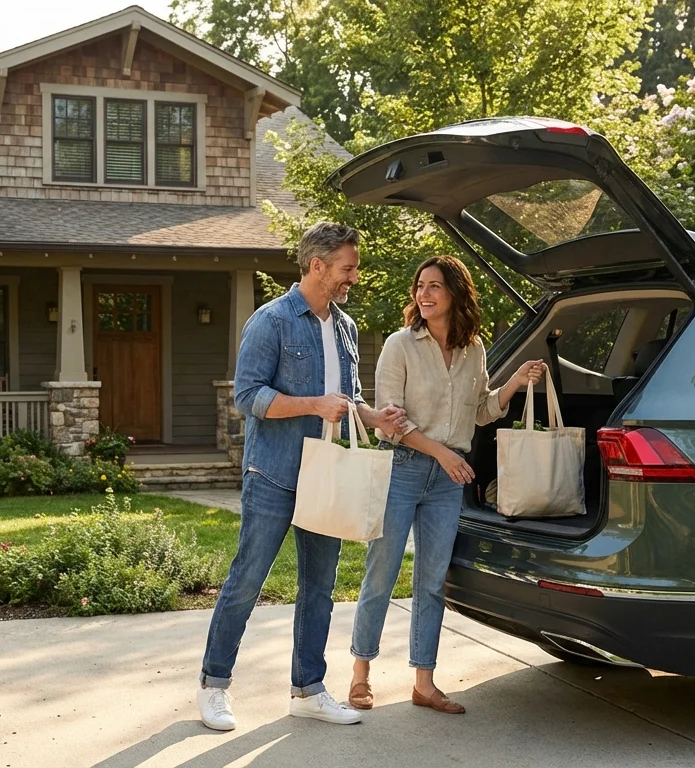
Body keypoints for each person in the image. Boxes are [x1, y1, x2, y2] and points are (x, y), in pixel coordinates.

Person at [197, 222, 407, 731]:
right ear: (317, 266)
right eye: (347, 268)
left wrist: (373, 416)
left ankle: (308, 689)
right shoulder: (270, 322)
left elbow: (347, 396)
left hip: (328, 476)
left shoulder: (346, 328)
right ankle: (214, 685)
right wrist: (313, 403)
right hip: (274, 473)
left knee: (319, 588)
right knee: (247, 581)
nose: (353, 277)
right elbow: (248, 397)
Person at [347, 255, 544, 715]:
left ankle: (425, 682)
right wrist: (442, 453)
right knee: (382, 574)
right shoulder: (400, 345)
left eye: (435, 286)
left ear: (455, 293)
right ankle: (360, 675)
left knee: (433, 581)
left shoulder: (473, 349)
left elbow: (480, 410)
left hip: (446, 482)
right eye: (420, 286)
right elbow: (389, 422)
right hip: (406, 469)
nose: (424, 293)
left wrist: (514, 381)